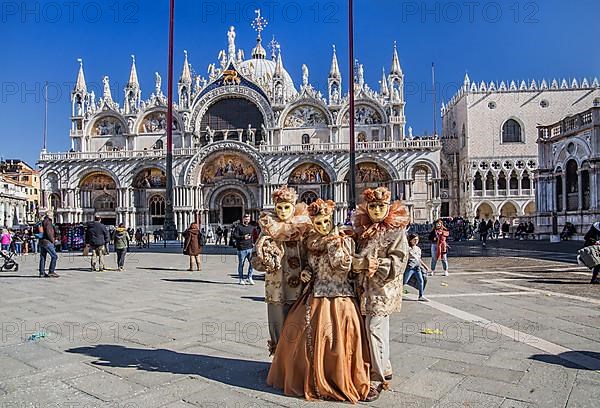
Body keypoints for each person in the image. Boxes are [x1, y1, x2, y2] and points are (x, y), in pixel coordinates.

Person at [267, 199, 371, 403]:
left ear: (331, 220)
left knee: (336, 338)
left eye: (325, 222)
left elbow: (343, 266)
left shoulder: (342, 239)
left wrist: (335, 245)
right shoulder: (311, 242)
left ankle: (336, 377)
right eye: (318, 223)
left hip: (339, 296)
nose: (323, 226)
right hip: (314, 293)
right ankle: (306, 376)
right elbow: (310, 266)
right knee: (297, 333)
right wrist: (306, 273)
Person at [352, 187, 410, 400]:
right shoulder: (363, 229)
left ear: (388, 207)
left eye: (381, 206)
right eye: (373, 206)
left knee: (374, 329)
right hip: (363, 290)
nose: (376, 210)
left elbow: (399, 262)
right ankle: (384, 367)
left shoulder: (396, 231)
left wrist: (371, 264)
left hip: (382, 291)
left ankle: (377, 380)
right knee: (373, 330)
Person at [253, 186, 312, 355]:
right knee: (277, 326)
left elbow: (311, 255)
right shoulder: (268, 229)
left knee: (298, 326)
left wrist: (308, 269)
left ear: (294, 207)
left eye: (287, 207)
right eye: (279, 207)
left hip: (300, 288)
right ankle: (279, 362)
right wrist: (264, 261)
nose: (283, 211)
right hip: (276, 288)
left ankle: (296, 362)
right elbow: (255, 258)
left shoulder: (302, 228)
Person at [403, 234, 430, 301]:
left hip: (417, 266)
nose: (416, 241)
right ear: (410, 240)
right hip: (410, 266)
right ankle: (396, 292)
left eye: (417, 239)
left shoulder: (418, 249)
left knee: (421, 280)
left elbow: (419, 259)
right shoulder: (407, 248)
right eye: (414, 239)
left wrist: (425, 266)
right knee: (404, 281)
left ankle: (421, 295)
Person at [232, 214, 256, 285]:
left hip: (250, 248)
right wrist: (243, 237)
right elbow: (234, 236)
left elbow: (254, 236)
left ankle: (249, 277)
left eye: (248, 219)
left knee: (252, 263)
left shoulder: (251, 227)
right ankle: (241, 278)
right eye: (246, 219)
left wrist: (253, 243)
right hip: (241, 248)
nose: (247, 220)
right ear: (243, 219)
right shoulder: (238, 227)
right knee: (241, 264)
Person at [38, 212, 60, 278]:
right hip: (47, 242)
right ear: (50, 216)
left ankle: (41, 273)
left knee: (43, 257)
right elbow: (49, 232)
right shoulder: (48, 222)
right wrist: (52, 241)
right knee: (54, 256)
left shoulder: (43, 221)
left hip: (41, 241)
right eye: (52, 215)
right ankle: (51, 271)